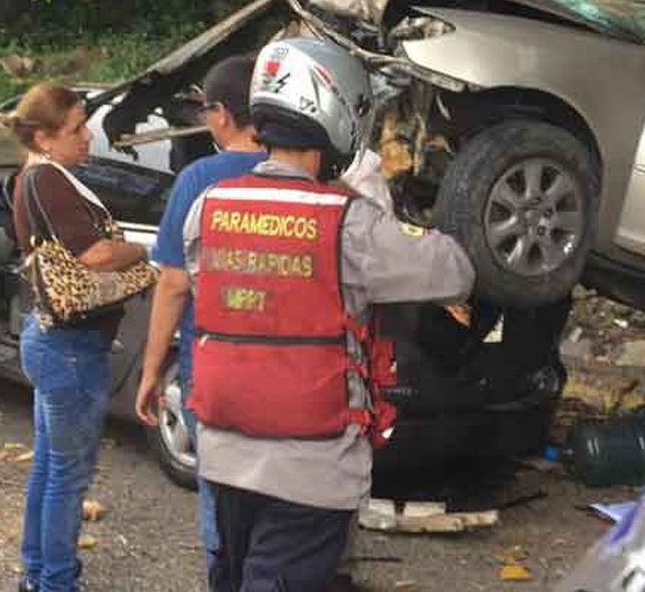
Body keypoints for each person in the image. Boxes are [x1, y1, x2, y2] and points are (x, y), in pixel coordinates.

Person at [184, 38, 475, 592]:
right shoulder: (348, 224)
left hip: (225, 451)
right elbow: (453, 272)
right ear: (336, 113)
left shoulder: (209, 207)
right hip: (309, 466)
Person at [0, 83, 148, 592]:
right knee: (67, 476)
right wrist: (141, 249)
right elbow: (96, 256)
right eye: (77, 129)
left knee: (50, 469)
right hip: (70, 349)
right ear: (44, 137)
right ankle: (57, 583)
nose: (89, 136)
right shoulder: (48, 180)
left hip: (53, 342)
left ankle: (38, 575)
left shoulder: (43, 176)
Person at [133, 55, 266, 572]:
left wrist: (149, 372)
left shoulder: (199, 180)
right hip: (289, 370)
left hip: (213, 372)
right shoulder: (306, 174)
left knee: (220, 494)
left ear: (222, 115)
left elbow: (172, 285)